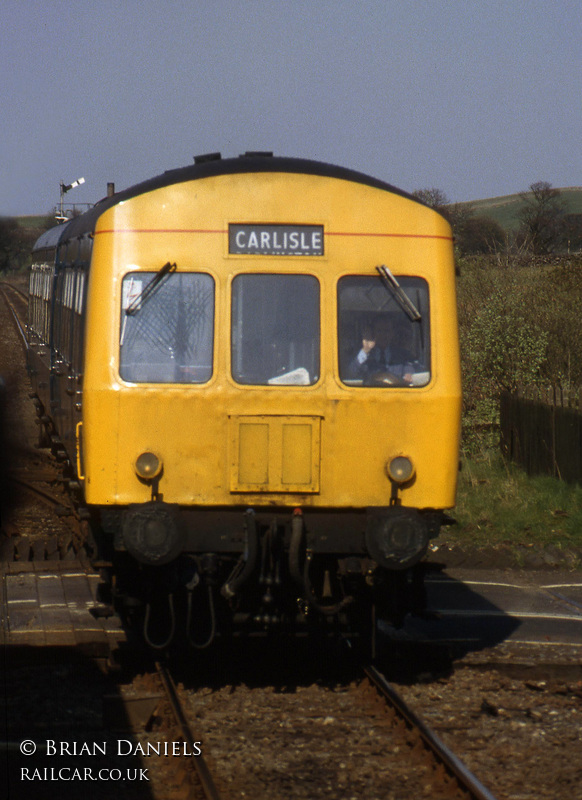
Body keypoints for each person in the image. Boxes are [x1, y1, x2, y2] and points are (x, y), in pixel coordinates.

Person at [344, 316, 419, 384]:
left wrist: (409, 374)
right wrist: (365, 350)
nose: (383, 335)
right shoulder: (362, 354)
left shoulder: (403, 354)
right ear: (373, 333)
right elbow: (350, 373)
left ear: (392, 333)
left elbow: (412, 368)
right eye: (379, 331)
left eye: (387, 331)